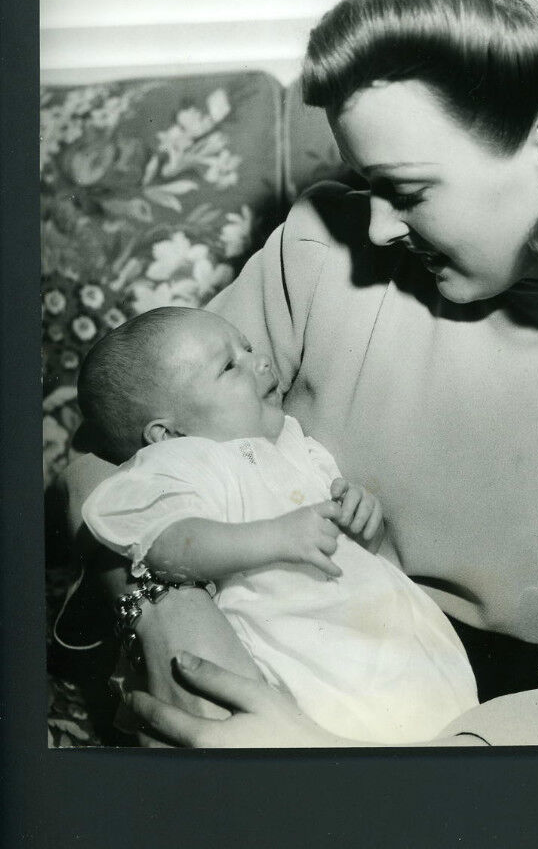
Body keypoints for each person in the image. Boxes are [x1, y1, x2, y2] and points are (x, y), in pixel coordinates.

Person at [65, 0, 538, 747]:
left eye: (405, 189)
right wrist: (169, 612)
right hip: (258, 654)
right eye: (367, 185)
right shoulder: (318, 249)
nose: (374, 224)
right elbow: (108, 448)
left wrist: (344, 774)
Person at [76, 306, 479, 744]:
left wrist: (363, 523)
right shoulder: (186, 463)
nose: (261, 362)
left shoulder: (294, 444)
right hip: (310, 659)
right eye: (230, 365)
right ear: (167, 435)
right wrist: (274, 537)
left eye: (248, 348)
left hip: (402, 645)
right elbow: (165, 545)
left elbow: (357, 551)